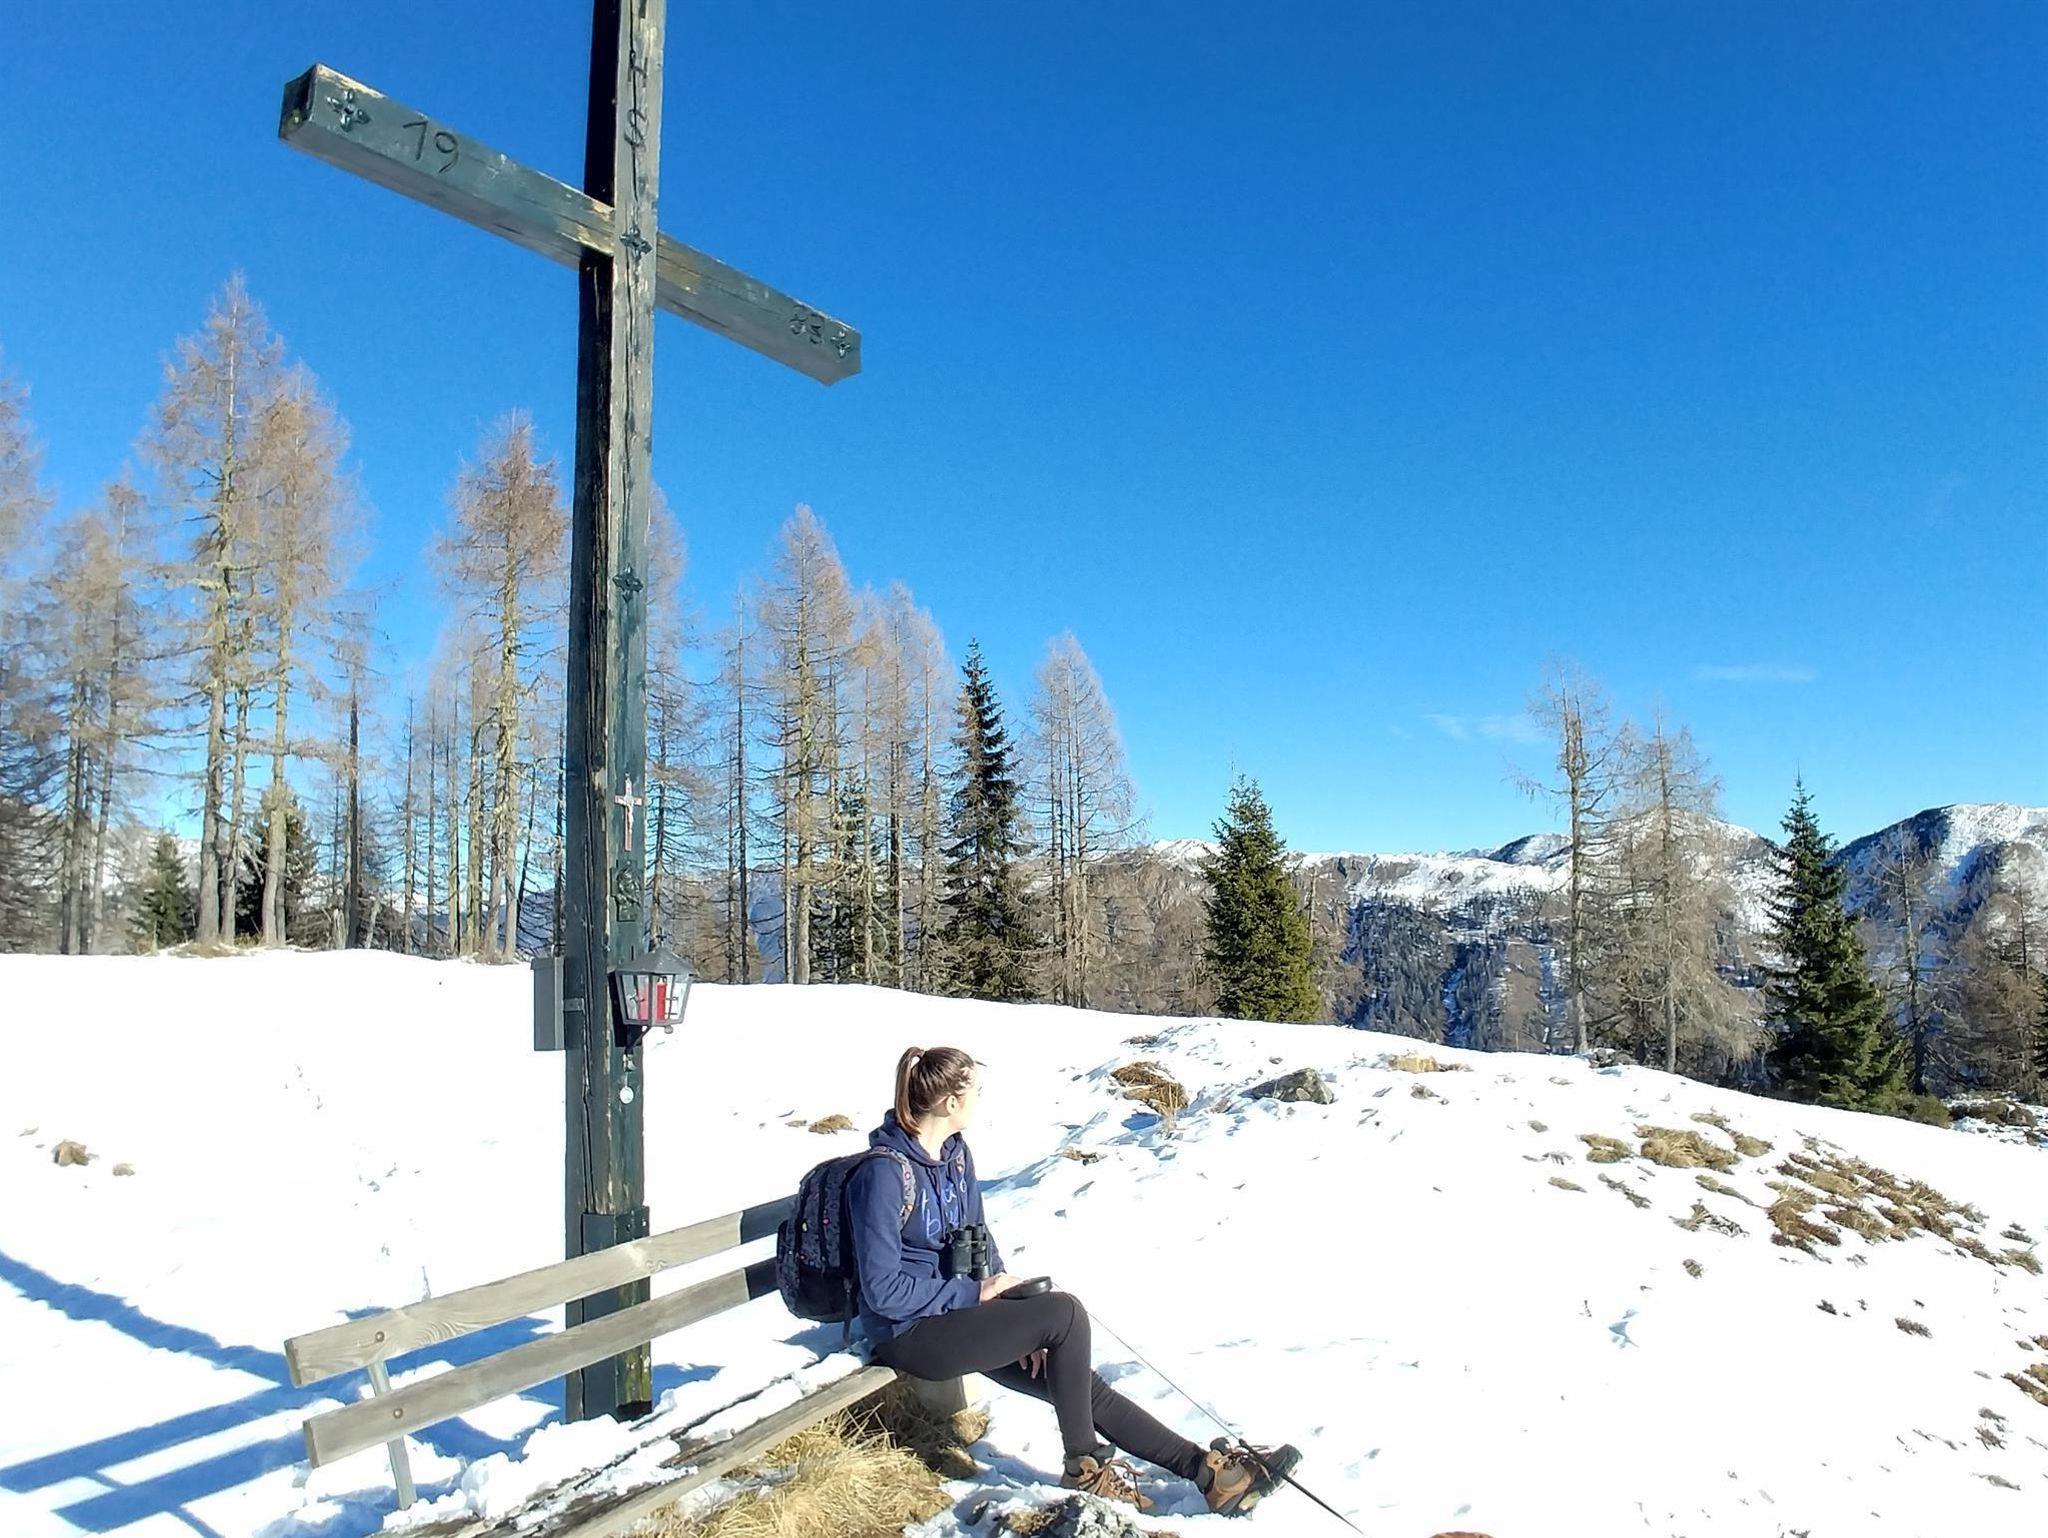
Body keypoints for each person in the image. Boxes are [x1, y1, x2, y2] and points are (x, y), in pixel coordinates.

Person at [849, 1045, 1298, 1515]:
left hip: (959, 1316)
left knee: (1076, 1381)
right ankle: (1084, 1466)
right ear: (950, 1102)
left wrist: (1013, 1311)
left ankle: (1207, 1474)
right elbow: (883, 1291)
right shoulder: (885, 1174)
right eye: (977, 1091)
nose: (982, 1100)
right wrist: (978, 1294)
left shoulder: (955, 1156)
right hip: (910, 1333)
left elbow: (979, 1239)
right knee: (1064, 1314)